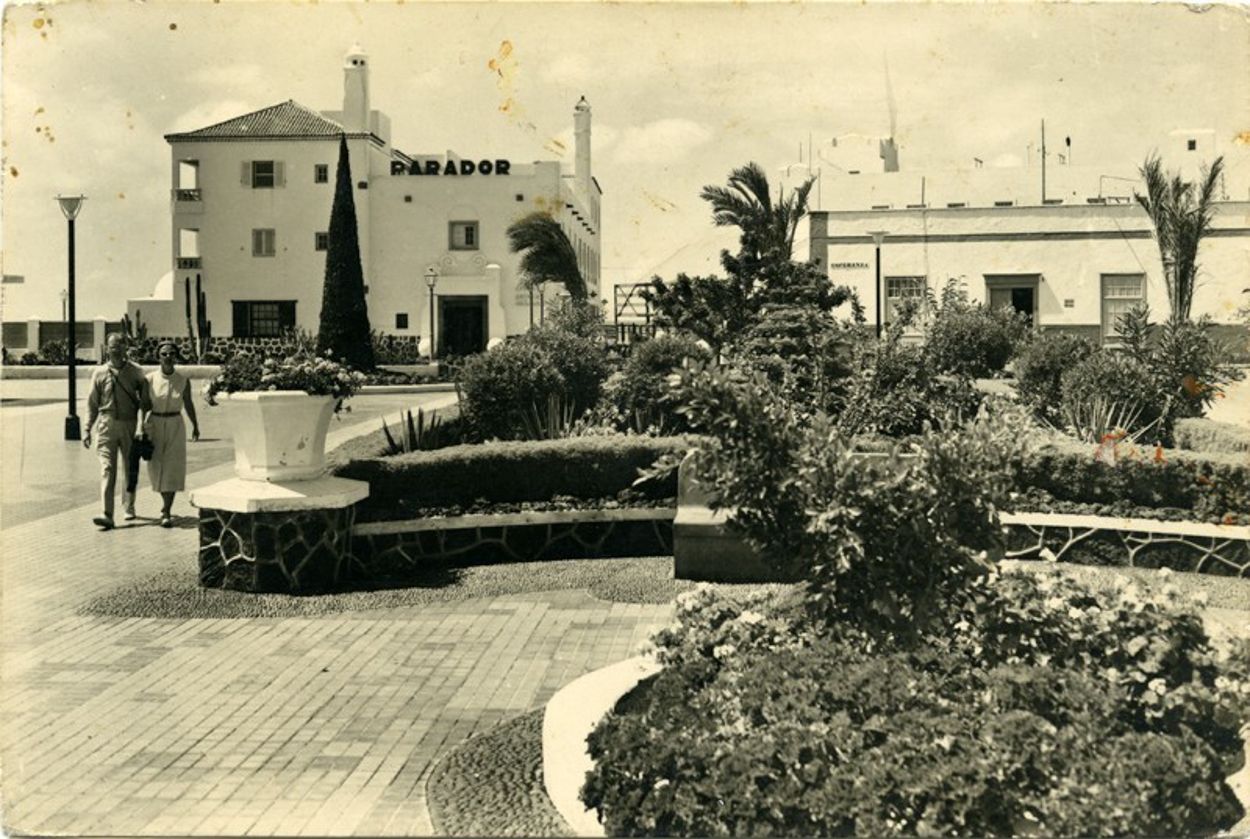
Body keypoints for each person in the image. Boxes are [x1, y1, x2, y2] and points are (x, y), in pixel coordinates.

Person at [84, 333, 151, 530]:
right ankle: (107, 513)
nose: (117, 350)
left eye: (121, 346)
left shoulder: (137, 372)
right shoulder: (99, 373)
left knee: (130, 468)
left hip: (129, 424)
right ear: (108, 348)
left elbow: (144, 404)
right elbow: (92, 404)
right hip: (106, 425)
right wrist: (87, 428)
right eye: (113, 346)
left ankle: (129, 505)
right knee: (107, 468)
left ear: (126, 348)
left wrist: (141, 426)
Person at [142, 341, 200, 527]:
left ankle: (166, 509)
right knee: (157, 465)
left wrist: (195, 425)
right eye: (164, 354)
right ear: (158, 357)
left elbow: (188, 403)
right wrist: (140, 427)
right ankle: (164, 503)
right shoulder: (149, 379)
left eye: (171, 354)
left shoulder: (182, 380)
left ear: (175, 356)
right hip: (155, 424)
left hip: (175, 424)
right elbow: (143, 405)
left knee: (173, 467)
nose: (168, 357)